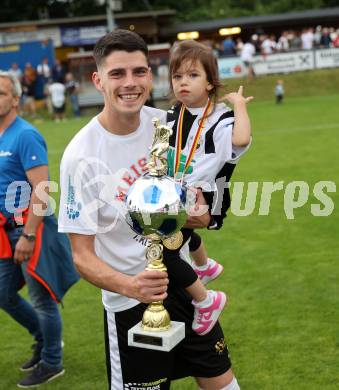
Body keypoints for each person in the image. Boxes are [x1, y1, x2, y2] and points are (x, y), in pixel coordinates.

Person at [58, 29, 240, 390]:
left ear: (150, 75)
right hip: (130, 302)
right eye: (117, 74)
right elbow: (81, 255)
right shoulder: (81, 156)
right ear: (97, 80)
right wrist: (131, 286)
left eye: (139, 72)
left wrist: (201, 212)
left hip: (186, 286)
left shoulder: (170, 127)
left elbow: (204, 190)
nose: (130, 83)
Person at [163, 39, 252, 336]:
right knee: (179, 235)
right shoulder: (175, 114)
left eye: (192, 75)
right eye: (177, 77)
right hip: (180, 190)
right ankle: (205, 266)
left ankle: (206, 300)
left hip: (208, 195)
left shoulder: (220, 119)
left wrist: (239, 107)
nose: (183, 83)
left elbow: (240, 140)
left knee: (166, 252)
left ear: (211, 82)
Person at [0, 71, 79, 388]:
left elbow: (42, 189)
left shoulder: (25, 135)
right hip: (5, 233)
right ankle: (43, 339)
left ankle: (52, 362)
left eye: (2, 93)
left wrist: (29, 236)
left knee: (42, 299)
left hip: (30, 229)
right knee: (4, 295)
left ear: (16, 99)